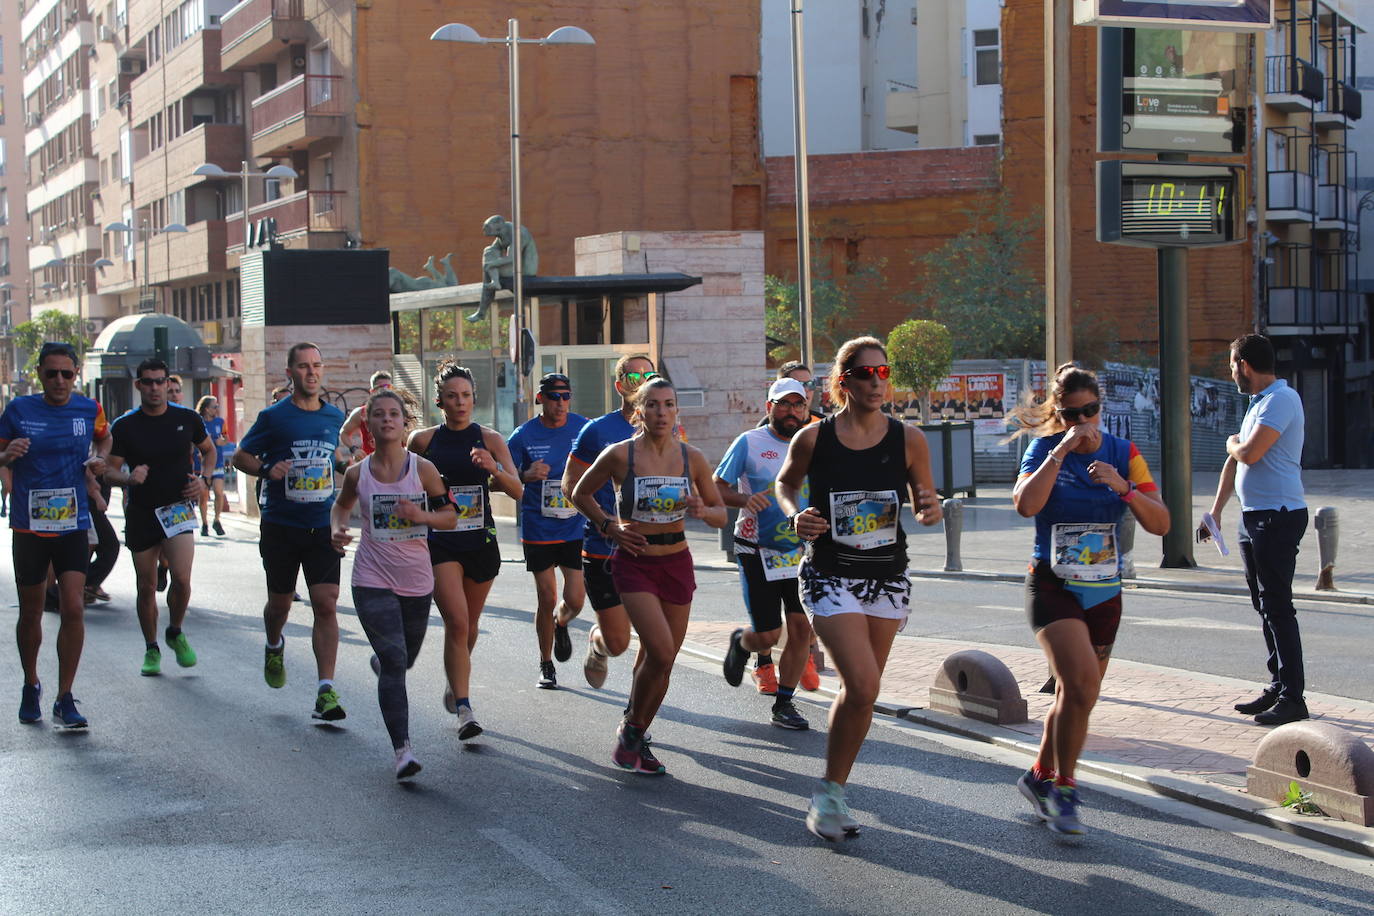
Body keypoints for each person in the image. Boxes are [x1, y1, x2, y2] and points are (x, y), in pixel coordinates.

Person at [776, 336, 942, 841]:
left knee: (859, 694)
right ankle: (829, 794)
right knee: (865, 684)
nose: (876, 382)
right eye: (866, 373)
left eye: (883, 373)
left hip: (887, 577)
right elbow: (785, 484)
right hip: (830, 574)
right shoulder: (814, 438)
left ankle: (831, 790)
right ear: (843, 381)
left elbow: (924, 494)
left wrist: (929, 506)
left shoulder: (908, 438)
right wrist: (795, 515)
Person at [1010, 363, 1169, 839]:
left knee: (1077, 696)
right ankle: (1064, 788)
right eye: (1072, 414)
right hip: (1051, 585)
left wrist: (1123, 487)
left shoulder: (1125, 453)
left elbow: (1161, 523)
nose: (1083, 422)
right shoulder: (1041, 449)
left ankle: (1038, 776)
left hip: (1104, 591)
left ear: (1103, 408)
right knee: (1078, 685)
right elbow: (1025, 504)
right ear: (1059, 414)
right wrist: (1058, 453)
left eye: (1091, 411)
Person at [572, 377, 727, 775]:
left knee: (665, 661)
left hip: (676, 562)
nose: (661, 412)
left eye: (669, 405)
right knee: (659, 650)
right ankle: (632, 733)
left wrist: (702, 510)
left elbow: (720, 513)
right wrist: (610, 527)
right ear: (639, 412)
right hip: (635, 562)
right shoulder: (620, 455)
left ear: (677, 411)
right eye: (653, 405)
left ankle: (636, 732)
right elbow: (579, 493)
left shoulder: (692, 458)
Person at [331, 389, 457, 779]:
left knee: (405, 657)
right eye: (379, 414)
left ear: (405, 424)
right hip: (372, 577)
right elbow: (341, 506)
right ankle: (402, 750)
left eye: (394, 414)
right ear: (368, 424)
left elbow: (450, 516)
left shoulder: (423, 470)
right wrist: (337, 529)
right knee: (396, 662)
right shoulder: (358, 473)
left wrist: (421, 514)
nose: (387, 420)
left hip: (417, 580)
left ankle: (383, 659)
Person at [232, 343, 349, 721]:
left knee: (326, 603)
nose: (311, 373)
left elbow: (339, 459)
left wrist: (346, 467)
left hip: (321, 525)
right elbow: (240, 456)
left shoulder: (334, 416)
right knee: (280, 604)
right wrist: (267, 470)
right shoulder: (273, 417)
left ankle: (325, 690)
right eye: (303, 367)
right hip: (281, 524)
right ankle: (273, 643)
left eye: (317, 365)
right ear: (290, 372)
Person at [408, 362, 522, 739]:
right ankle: (465, 709)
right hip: (441, 543)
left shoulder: (490, 439)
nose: (460, 403)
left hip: (481, 542)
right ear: (439, 400)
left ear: (475, 398)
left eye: (467, 396)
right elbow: (404, 485)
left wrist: (494, 469)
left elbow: (519, 491)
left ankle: (455, 679)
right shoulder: (423, 442)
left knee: (469, 625)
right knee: (456, 622)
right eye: (452, 396)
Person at [1200, 334, 1309, 727]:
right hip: (1254, 517)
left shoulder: (1282, 399)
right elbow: (1236, 466)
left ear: (1244, 365)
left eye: (1232, 366)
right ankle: (1278, 685)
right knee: (1264, 605)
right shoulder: (1257, 403)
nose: (1231, 374)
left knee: (1278, 606)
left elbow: (1247, 453)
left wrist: (1232, 442)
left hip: (1278, 516)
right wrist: (1214, 513)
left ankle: (1294, 698)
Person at [0, 342, 110, 727]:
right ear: (40, 375)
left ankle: (65, 696)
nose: (60, 380)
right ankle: (31, 684)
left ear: (75, 374)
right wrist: (6, 455)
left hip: (72, 523)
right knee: (31, 611)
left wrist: (99, 459)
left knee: (74, 607)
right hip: (29, 525)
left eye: (67, 373)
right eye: (52, 373)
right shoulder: (18, 410)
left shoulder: (88, 408)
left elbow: (105, 438)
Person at [717, 378, 819, 729]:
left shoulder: (815, 442)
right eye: (784, 404)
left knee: (801, 628)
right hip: (756, 548)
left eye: (798, 405)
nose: (792, 411)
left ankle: (784, 704)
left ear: (806, 408)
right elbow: (718, 488)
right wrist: (745, 500)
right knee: (768, 635)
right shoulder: (749, 442)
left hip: (800, 549)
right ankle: (742, 643)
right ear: (768, 408)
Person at [104, 359, 214, 676]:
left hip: (178, 508)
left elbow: (209, 451)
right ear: (138, 385)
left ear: (168, 383)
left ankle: (175, 631)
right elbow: (110, 471)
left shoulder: (187, 419)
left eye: (160, 381)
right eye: (148, 382)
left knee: (181, 578)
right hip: (141, 512)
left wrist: (203, 480)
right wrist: (127, 478)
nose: (154, 387)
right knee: (146, 585)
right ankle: (151, 648)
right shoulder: (125, 425)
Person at [563, 354, 660, 691]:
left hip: (653, 552)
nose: (645, 380)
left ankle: (637, 716)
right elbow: (570, 486)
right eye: (636, 376)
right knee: (618, 642)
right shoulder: (597, 431)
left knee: (654, 641)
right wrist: (607, 524)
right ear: (620, 386)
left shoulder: (668, 428)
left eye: (651, 373)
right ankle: (598, 643)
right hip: (604, 548)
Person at [506, 373, 589, 689]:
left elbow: (603, 464)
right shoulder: (523, 435)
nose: (560, 402)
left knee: (576, 599)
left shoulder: (583, 428)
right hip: (539, 527)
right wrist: (525, 474)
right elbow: (505, 477)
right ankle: (546, 663)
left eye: (566, 396)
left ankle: (561, 621)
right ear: (541, 399)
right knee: (546, 595)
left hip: (574, 524)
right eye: (554, 397)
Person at [752, 361, 825, 692]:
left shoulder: (826, 430)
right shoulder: (758, 435)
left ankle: (801, 663)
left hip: (811, 539)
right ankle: (763, 661)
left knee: (804, 616)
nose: (801, 394)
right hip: (767, 541)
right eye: (794, 388)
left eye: (807, 387)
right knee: (768, 624)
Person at [339, 371, 393, 466]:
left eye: (389, 387)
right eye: (381, 388)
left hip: (395, 466)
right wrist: (354, 450)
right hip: (370, 466)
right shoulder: (362, 412)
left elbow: (408, 437)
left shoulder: (399, 412)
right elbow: (344, 432)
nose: (385, 392)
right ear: (372, 392)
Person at [195, 395, 229, 537]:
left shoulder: (220, 422)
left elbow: (226, 437)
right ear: (207, 408)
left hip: (218, 462)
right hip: (202, 464)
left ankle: (216, 519)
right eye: (215, 406)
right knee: (203, 496)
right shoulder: (198, 422)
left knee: (219, 492)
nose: (217, 409)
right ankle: (204, 523)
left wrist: (223, 441)